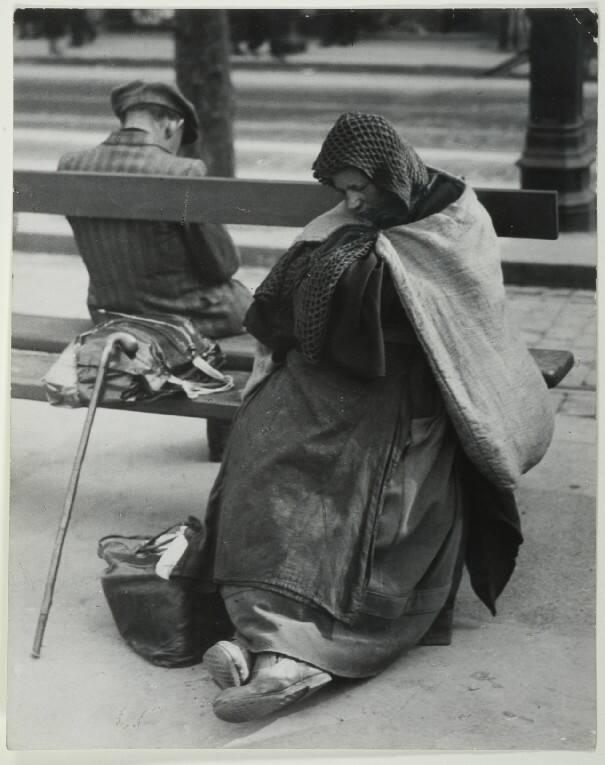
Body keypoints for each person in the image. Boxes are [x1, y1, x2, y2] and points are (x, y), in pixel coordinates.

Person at [176, 113, 554, 722]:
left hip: (409, 385)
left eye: (361, 188)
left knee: (357, 491)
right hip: (324, 377)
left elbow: (464, 319)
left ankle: (287, 661)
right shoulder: (346, 221)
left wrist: (368, 280)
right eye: (342, 190)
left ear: (392, 174)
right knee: (263, 454)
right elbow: (284, 308)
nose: (351, 201)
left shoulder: (454, 219)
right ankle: (261, 638)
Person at [58, 80, 252, 340]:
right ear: (172, 125)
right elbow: (223, 265)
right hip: (182, 318)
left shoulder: (72, 164)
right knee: (250, 304)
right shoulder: (182, 171)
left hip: (110, 313)